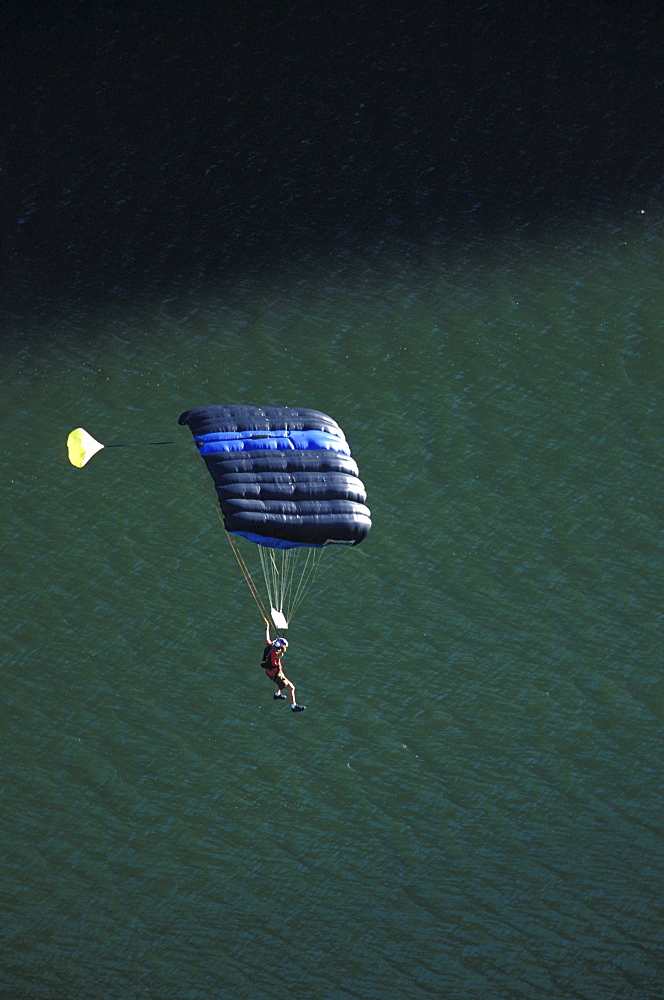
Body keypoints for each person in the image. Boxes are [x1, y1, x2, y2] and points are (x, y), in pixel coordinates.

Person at [262, 621, 306, 712]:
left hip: (272, 672)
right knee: (291, 687)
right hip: (276, 674)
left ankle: (277, 694)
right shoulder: (275, 653)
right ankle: (293, 706)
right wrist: (283, 650)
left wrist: (267, 627)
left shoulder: (270, 646)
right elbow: (279, 655)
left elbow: (267, 639)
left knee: (282, 681)